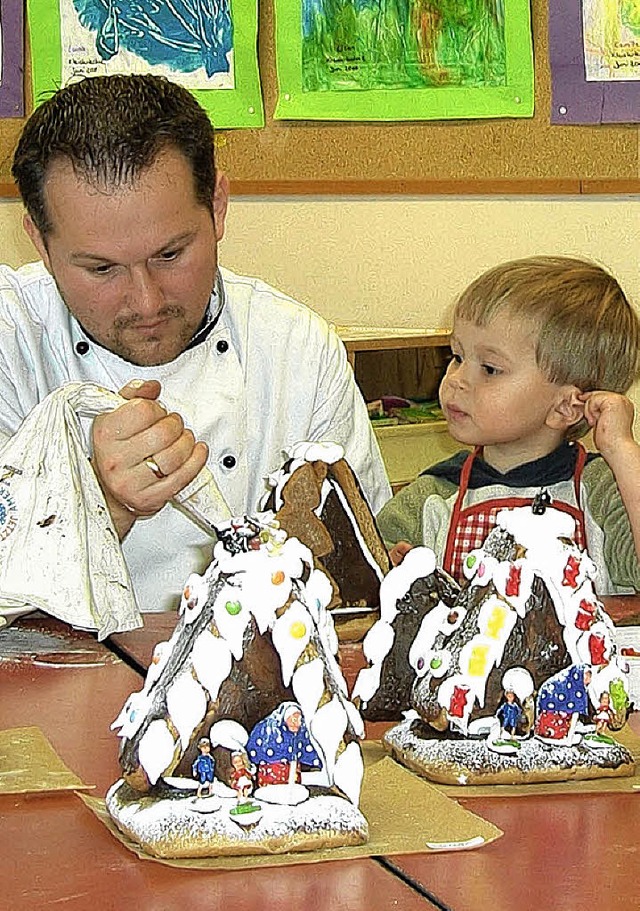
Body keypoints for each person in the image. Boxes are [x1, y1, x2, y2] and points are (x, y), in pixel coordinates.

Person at [4, 73, 390, 614]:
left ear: (219, 206)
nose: (145, 301)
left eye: (170, 254)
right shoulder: (11, 340)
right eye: (101, 269)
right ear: (41, 246)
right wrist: (98, 505)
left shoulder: (296, 352)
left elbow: (361, 579)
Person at [377, 255, 640, 593]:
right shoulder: (432, 497)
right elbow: (363, 572)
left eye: (489, 368)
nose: (456, 379)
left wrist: (622, 447)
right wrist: (390, 569)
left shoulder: (601, 491)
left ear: (564, 407)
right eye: (456, 357)